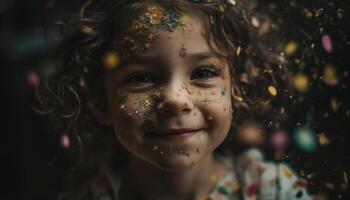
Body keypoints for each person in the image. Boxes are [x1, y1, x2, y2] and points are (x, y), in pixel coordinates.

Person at [38, 0, 313, 199]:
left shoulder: (273, 191)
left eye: (203, 72)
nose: (175, 99)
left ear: (236, 88)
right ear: (99, 100)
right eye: (141, 78)